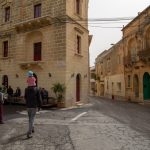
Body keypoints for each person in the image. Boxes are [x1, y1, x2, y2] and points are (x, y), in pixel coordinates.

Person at [24, 71, 42, 138]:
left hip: (28, 106)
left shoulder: (26, 89)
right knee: (32, 118)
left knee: (30, 119)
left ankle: (32, 128)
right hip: (34, 106)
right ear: (34, 81)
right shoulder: (36, 89)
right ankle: (29, 132)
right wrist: (40, 106)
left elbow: (25, 97)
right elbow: (39, 98)